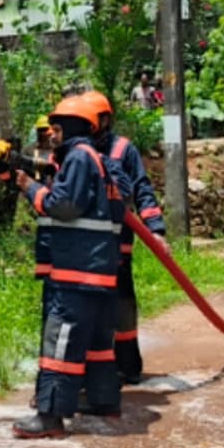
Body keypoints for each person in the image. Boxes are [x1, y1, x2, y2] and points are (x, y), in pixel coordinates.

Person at [12, 95, 125, 438]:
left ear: (78, 126)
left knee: (59, 343)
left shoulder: (78, 158)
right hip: (96, 273)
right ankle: (104, 399)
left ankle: (50, 417)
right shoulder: (91, 159)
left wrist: (29, 187)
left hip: (75, 274)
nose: (52, 131)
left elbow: (63, 206)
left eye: (59, 125)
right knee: (95, 343)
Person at [78, 90, 168, 384]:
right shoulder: (77, 151)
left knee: (122, 305)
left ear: (105, 120)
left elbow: (142, 190)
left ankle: (128, 365)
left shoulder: (123, 150)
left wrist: (156, 230)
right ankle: (96, 370)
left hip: (118, 245)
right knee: (92, 310)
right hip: (87, 247)